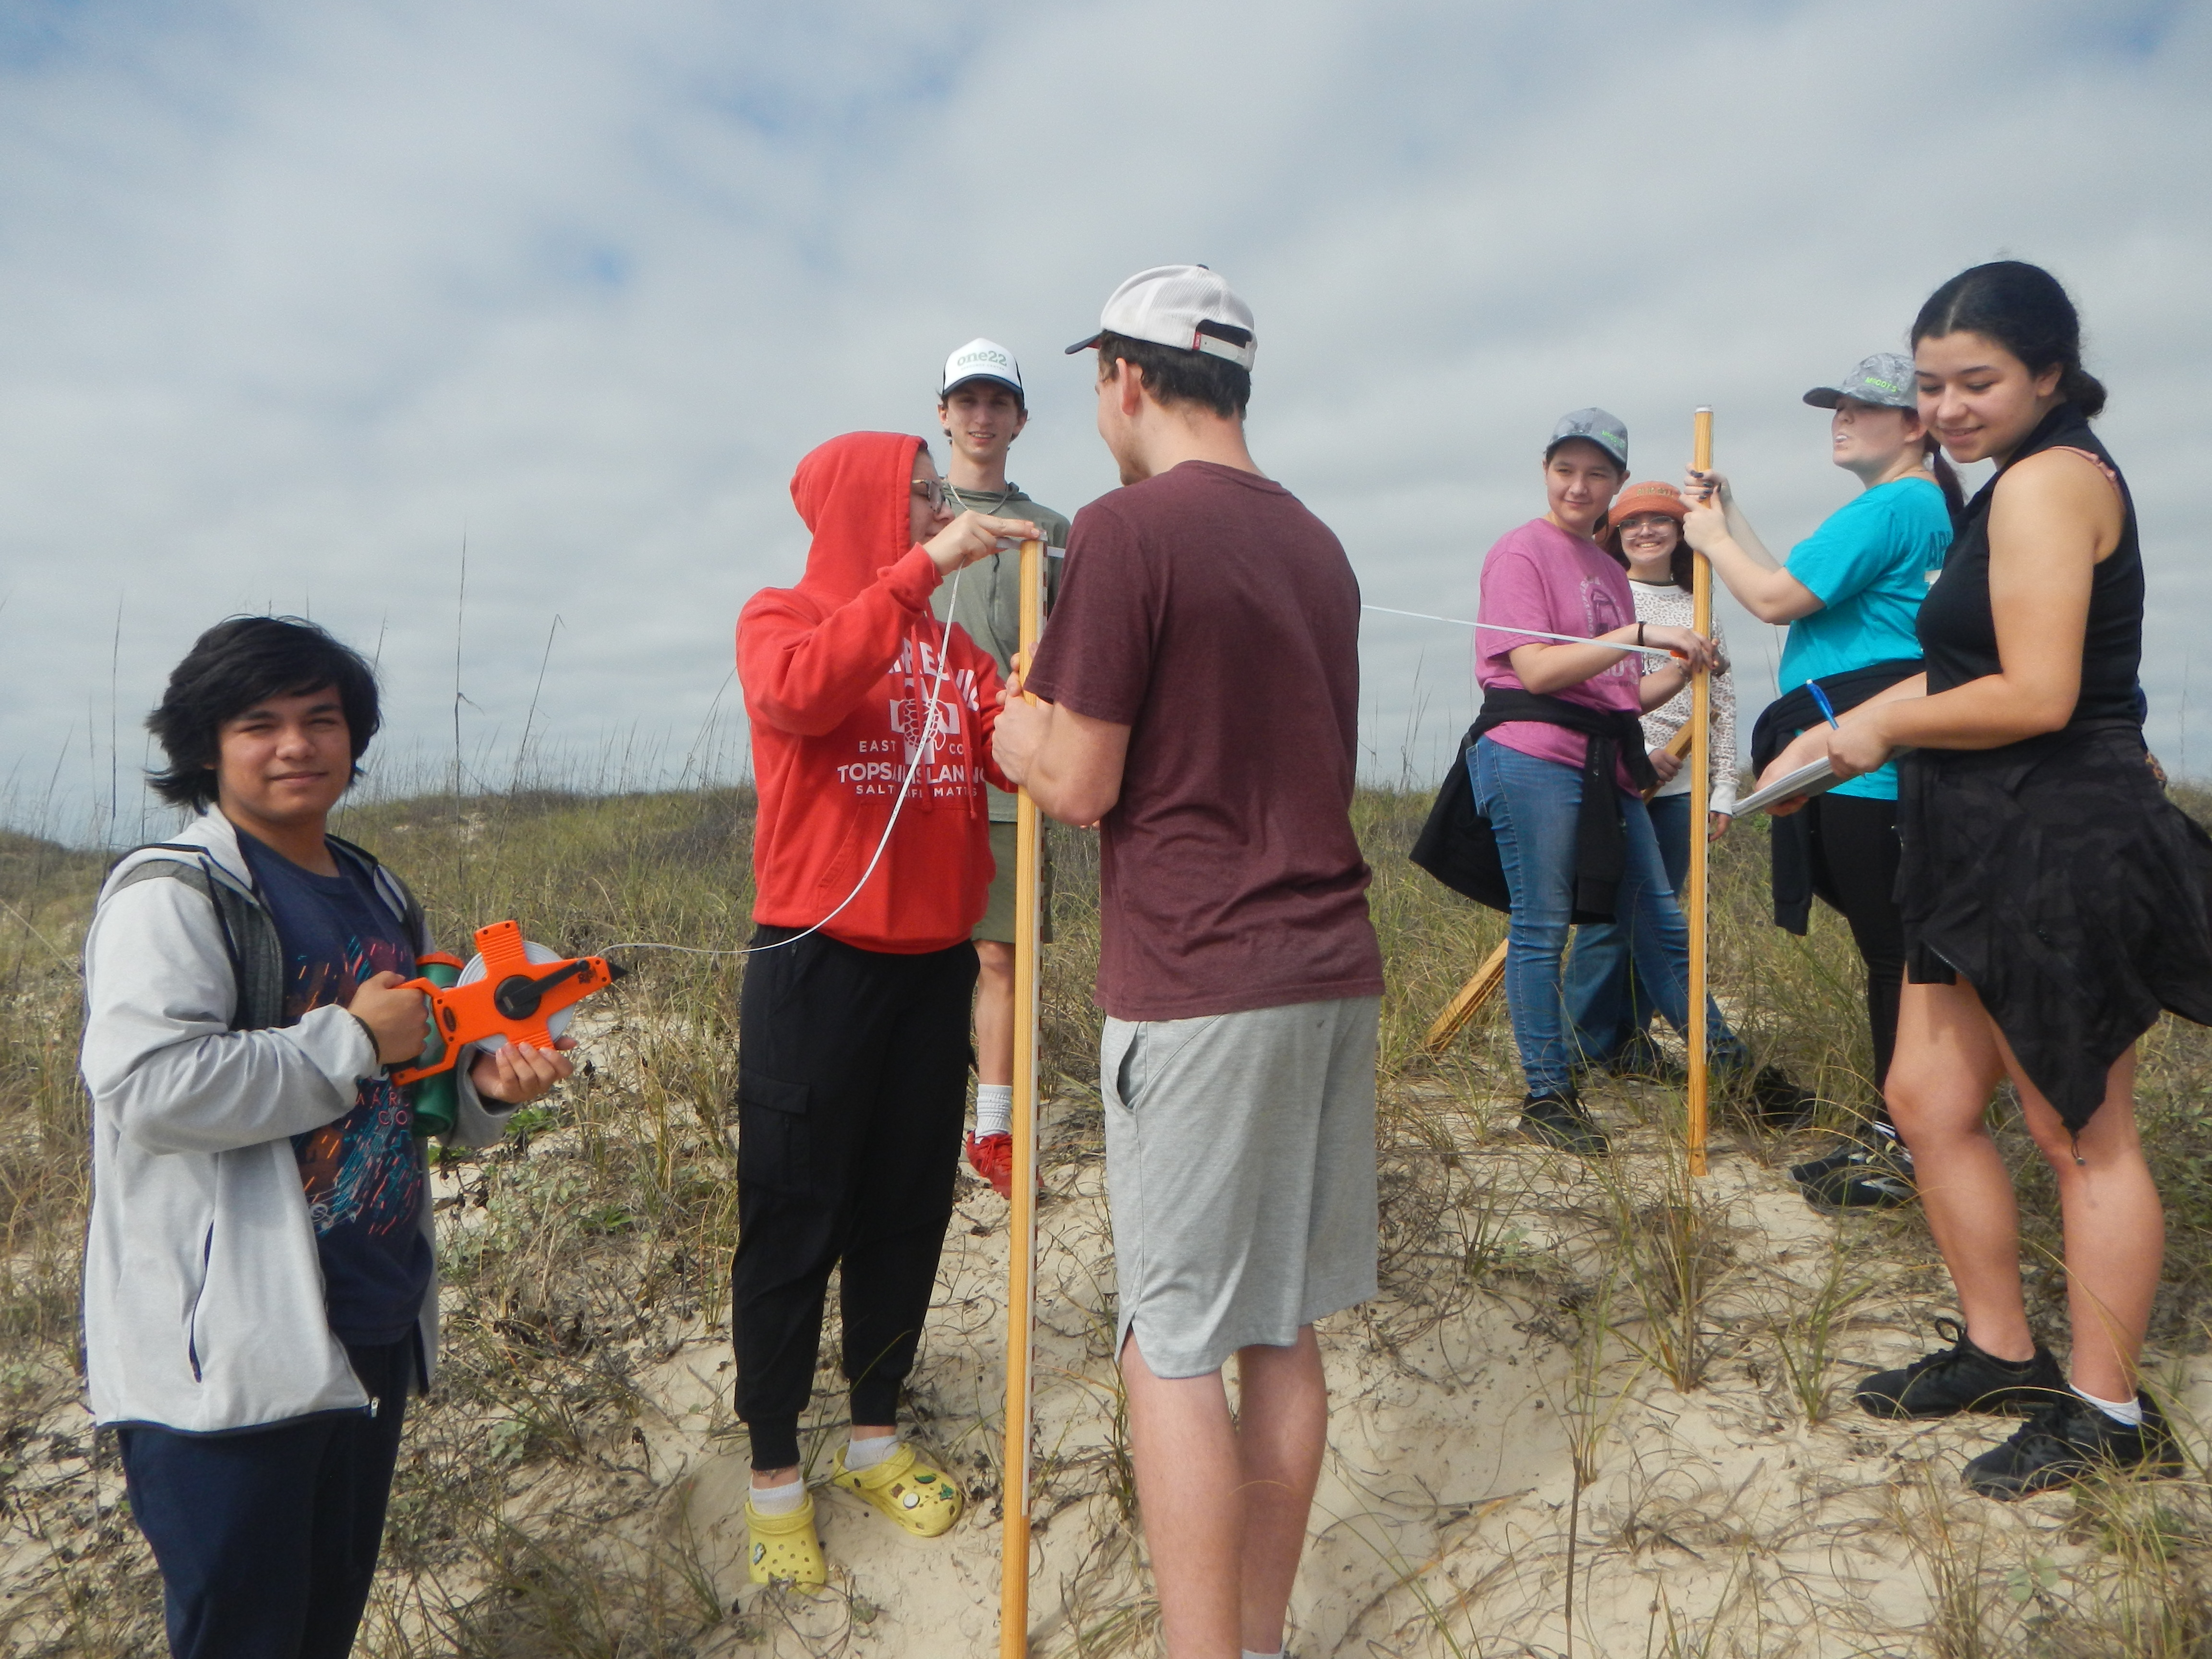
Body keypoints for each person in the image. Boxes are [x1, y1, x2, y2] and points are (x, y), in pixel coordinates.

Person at [1756, 261, 2209, 1496]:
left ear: (2049, 374)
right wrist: (1824, 732)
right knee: (1926, 1094)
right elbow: (1964, 662)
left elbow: (2039, 693)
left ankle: (2110, 1413)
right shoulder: (2003, 487)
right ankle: (1999, 1350)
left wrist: (1883, 731)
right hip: (1969, 836)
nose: (1948, 407)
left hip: (2056, 835)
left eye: (1978, 381)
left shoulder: (2054, 482)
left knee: (2080, 1129)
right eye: (1930, 384)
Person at [994, 265, 1383, 1659]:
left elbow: (1086, 778)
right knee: (1278, 1325)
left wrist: (1010, 733)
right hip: (1332, 965)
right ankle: (1260, 1641)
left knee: (1170, 1341)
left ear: (1128, 381)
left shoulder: (1126, 530)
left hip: (1202, 978)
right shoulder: (1320, 546)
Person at [80, 616, 575, 1659]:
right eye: (259, 724)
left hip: (368, 1323)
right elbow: (151, 1090)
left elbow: (406, 1091)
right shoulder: (173, 896)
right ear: (205, 747)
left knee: (320, 1625)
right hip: (228, 1357)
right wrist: (349, 1034)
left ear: (356, 739)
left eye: (322, 719)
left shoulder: (373, 887)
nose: (296, 745)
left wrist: (489, 1090)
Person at [732, 431, 1036, 1587]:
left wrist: (1029, 704)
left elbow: (1005, 767)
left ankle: (872, 1432)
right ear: (864, 499)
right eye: (913, 488)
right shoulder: (783, 614)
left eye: (934, 490)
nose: (932, 501)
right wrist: (911, 575)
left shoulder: (956, 650)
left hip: (931, 971)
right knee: (794, 1213)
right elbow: (797, 700)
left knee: (905, 1207)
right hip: (817, 964)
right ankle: (771, 1473)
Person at [1471, 411, 1812, 1155]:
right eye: (1566, 469)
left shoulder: (1603, 575)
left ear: (1616, 483)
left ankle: (1731, 1073)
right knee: (1543, 923)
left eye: (1597, 473)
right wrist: (1639, 635)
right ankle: (1548, 1093)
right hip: (1531, 753)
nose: (1579, 485)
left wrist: (1682, 665)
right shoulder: (1521, 552)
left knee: (1662, 925)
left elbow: (1620, 695)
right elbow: (1536, 671)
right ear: (1546, 471)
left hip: (1606, 764)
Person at [1682, 354, 1958, 1213]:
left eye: (1862, 408)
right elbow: (1797, 592)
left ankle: (1904, 1138)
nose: (1840, 418)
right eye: (1833, 406)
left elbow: (1769, 601)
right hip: (1858, 753)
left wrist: (1707, 540)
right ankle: (1900, 1127)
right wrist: (1728, 519)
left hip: (1862, 764)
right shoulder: (1911, 506)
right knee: (1895, 953)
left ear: (1914, 424)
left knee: (1895, 957)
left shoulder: (1891, 504)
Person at [929, 339, 1073, 1198]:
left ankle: (992, 1131)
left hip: (1007, 772)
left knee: (999, 957)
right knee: (912, 955)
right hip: (912, 774)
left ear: (1018, 418)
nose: (981, 417)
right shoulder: (910, 510)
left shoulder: (1050, 531)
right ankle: (913, 1114)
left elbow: (1071, 653)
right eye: (966, 401)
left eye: (997, 402)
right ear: (942, 412)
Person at [1563, 479, 1737, 1080]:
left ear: (1681, 533)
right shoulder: (1607, 602)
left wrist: (1722, 787)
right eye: (1632, 523)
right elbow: (1596, 691)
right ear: (1616, 536)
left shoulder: (1702, 605)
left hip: (1683, 787)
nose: (1646, 532)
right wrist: (1641, 755)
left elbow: (1723, 702)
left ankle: (1629, 1043)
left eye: (1660, 521)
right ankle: (1582, 1048)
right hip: (1620, 779)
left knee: (1657, 922)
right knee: (1606, 922)